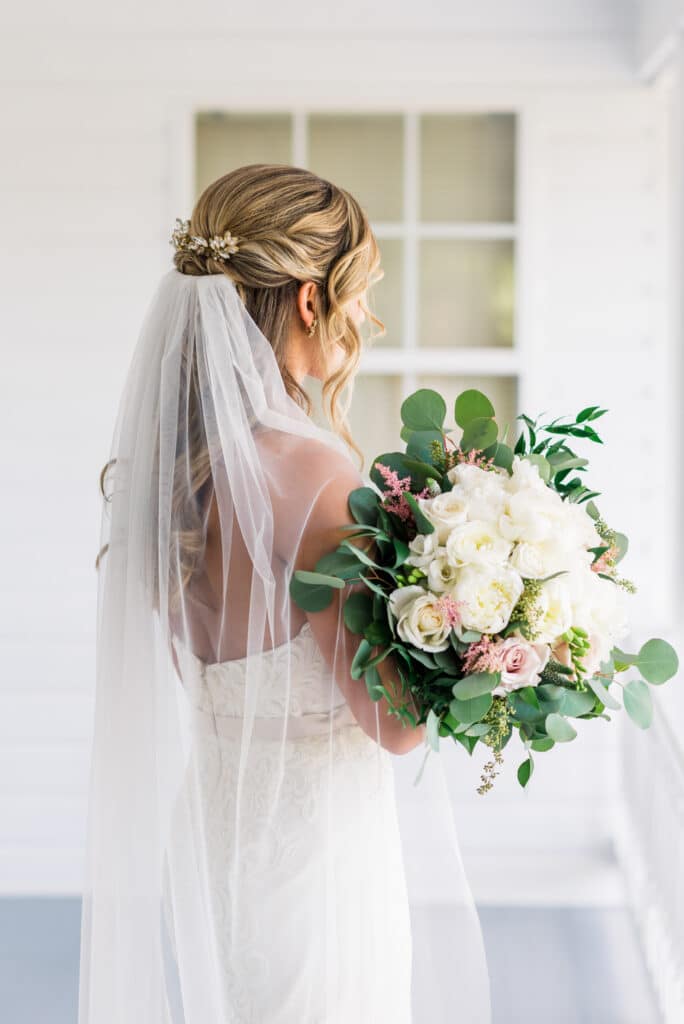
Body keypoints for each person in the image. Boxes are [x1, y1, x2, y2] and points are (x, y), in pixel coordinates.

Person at [79, 164, 491, 1022]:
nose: (368, 318)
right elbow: (395, 729)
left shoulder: (171, 475)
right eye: (362, 290)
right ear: (311, 300)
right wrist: (480, 629)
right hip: (318, 863)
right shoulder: (316, 477)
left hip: (218, 839)